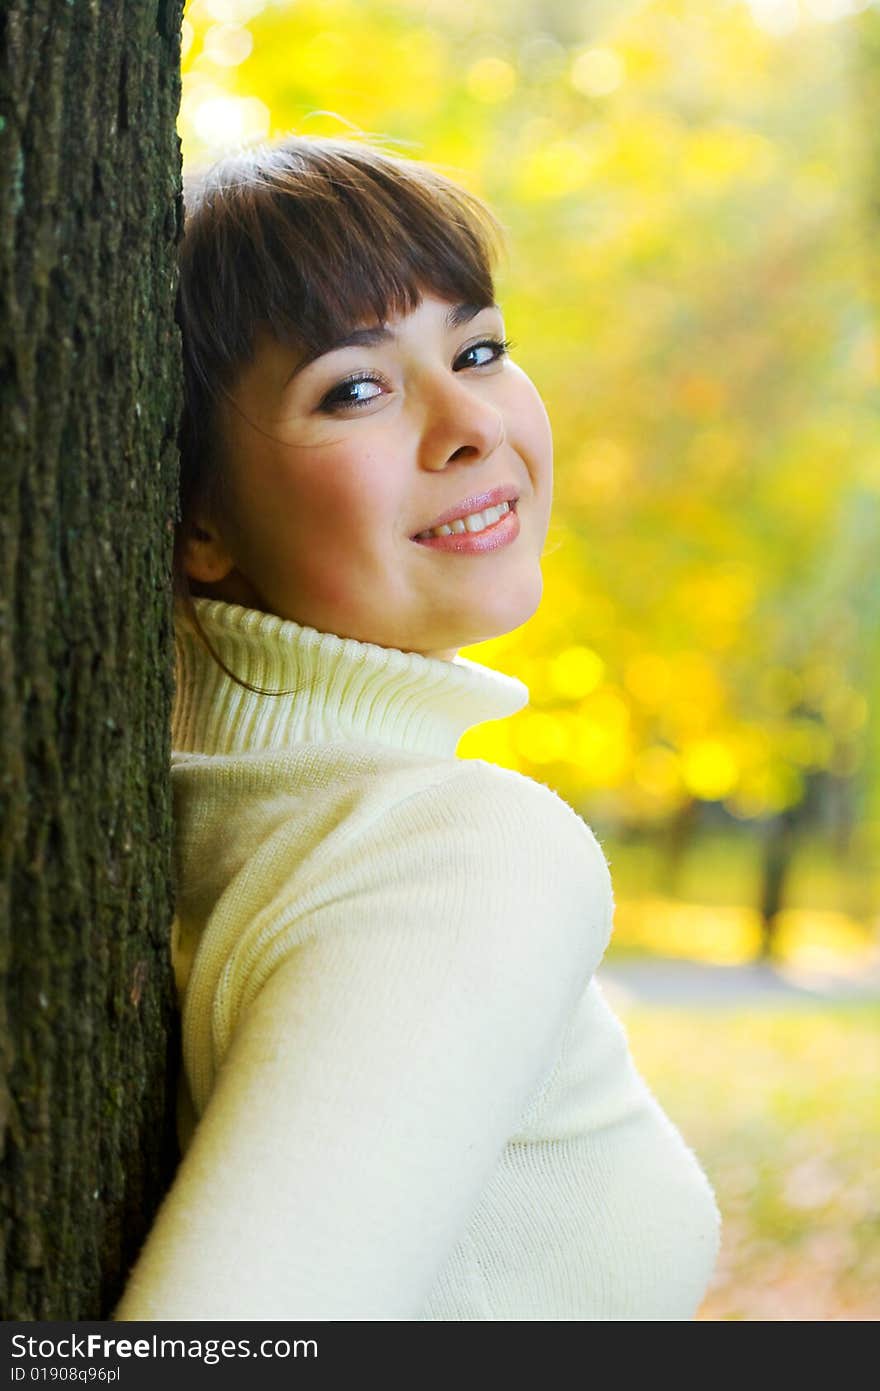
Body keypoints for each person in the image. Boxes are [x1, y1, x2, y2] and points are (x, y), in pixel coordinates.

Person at [113, 134, 720, 1322]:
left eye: (479, 349)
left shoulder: (202, 812)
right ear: (196, 520)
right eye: (354, 386)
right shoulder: (461, 850)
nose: (469, 426)